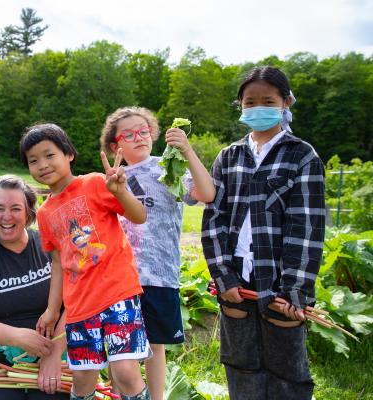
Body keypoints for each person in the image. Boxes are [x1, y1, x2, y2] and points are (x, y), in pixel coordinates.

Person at [201, 66, 325, 400]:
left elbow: (308, 226)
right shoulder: (229, 156)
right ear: (240, 106)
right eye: (249, 102)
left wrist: (296, 289)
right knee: (240, 361)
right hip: (236, 276)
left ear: (285, 103)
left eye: (267, 101)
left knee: (287, 366)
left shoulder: (301, 155)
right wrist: (223, 276)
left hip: (281, 280)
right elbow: (214, 219)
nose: (258, 108)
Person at [20, 123, 151, 400]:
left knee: (126, 371)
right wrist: (52, 310)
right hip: (80, 305)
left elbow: (139, 216)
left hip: (118, 293)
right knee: (81, 378)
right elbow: (58, 264)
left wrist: (119, 191)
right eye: (33, 160)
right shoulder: (44, 213)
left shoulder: (93, 183)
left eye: (49, 155)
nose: (42, 165)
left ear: (69, 154)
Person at [100, 106, 215, 400]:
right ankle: (118, 395)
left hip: (159, 273)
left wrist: (187, 150)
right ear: (116, 145)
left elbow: (206, 193)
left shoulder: (168, 168)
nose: (139, 137)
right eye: (129, 134)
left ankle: (156, 397)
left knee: (155, 345)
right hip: (118, 277)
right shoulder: (111, 179)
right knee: (118, 344)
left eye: (144, 131)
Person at [0, 174, 68, 400]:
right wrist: (19, 337)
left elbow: (74, 303)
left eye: (15, 209)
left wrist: (54, 353)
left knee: (51, 396)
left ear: (29, 213)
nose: (6, 217)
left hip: (54, 346)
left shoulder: (50, 245)